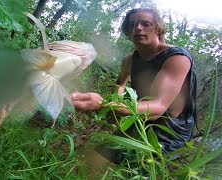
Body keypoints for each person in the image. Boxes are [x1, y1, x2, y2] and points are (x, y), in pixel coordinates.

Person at [71, 8, 197, 169]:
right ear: (127, 31)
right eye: (132, 24)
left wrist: (104, 105)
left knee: (136, 171)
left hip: (169, 129)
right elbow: (120, 84)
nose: (138, 28)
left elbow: (158, 108)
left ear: (158, 29)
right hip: (139, 117)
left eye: (146, 24)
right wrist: (115, 109)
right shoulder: (130, 59)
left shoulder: (177, 58)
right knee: (92, 162)